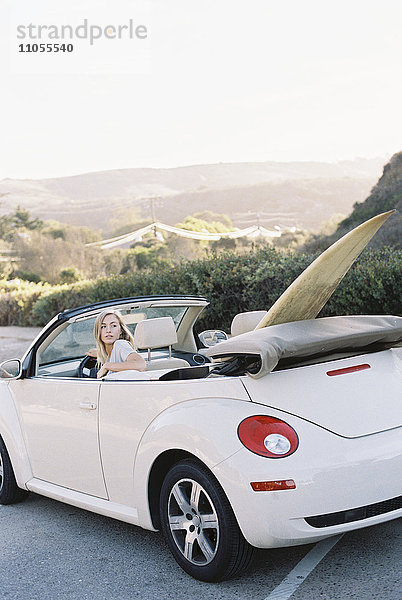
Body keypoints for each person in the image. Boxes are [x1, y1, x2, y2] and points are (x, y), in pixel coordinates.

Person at [87, 309, 146, 378]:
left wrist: (107, 366)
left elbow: (141, 365)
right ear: (98, 331)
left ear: (120, 330)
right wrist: (99, 353)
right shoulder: (112, 352)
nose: (108, 330)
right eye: (103, 326)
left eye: (114, 326)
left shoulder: (120, 344)